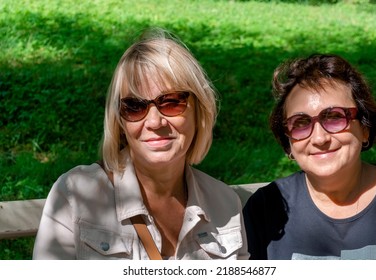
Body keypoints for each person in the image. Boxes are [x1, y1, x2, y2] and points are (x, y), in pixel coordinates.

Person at [33, 27, 249, 260]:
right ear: (120, 122)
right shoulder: (76, 195)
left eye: (171, 102)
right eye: (135, 106)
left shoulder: (225, 204)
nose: (155, 121)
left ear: (199, 110)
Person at [243, 53, 376, 260]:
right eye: (300, 123)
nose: (319, 138)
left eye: (335, 117)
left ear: (365, 128)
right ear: (288, 141)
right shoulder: (266, 208)